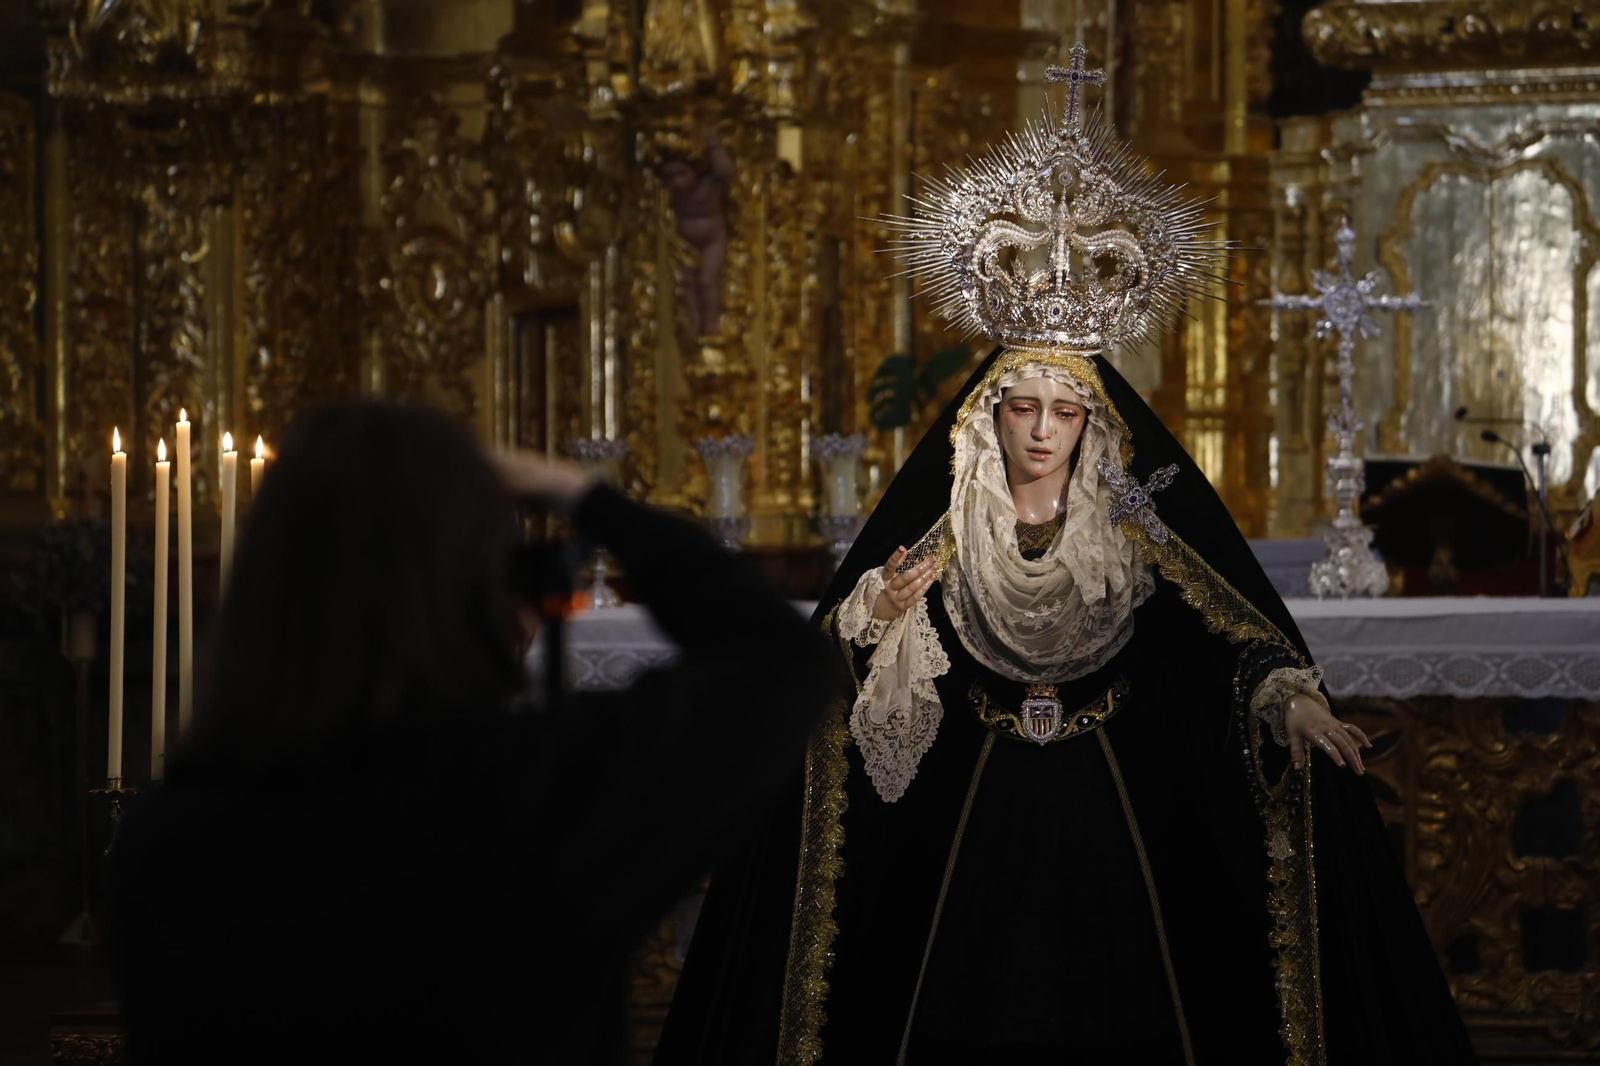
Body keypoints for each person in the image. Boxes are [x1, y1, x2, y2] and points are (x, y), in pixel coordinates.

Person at [654, 47, 1478, 1066]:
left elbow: (1224, 638)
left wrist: (1285, 699)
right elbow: (833, 675)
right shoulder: (943, 530)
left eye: (1063, 410)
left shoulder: (1138, 526)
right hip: (972, 817)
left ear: (1095, 421)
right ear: (987, 415)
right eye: (1021, 406)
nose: (1041, 429)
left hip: (1114, 813)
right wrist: (878, 614)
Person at [109, 401, 838, 1065]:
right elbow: (781, 659)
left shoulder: (164, 841)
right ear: (478, 592)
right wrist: (583, 497)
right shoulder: (533, 795)